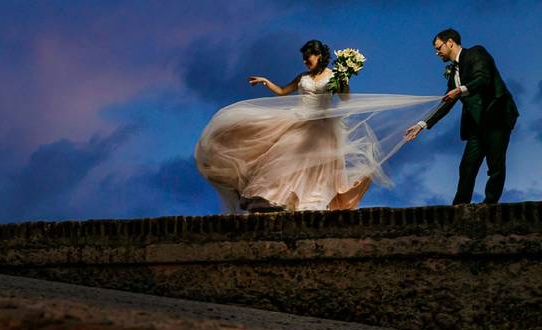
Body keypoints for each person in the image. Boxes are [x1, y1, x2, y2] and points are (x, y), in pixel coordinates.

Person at [196, 40, 441, 213]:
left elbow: (344, 100)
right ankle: (268, 198)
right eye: (303, 57)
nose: (305, 60)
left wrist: (344, 79)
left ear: (319, 56)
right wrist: (266, 82)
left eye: (308, 56)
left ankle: (306, 202)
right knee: (285, 157)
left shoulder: (334, 75)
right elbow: (284, 92)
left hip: (323, 126)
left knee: (314, 165)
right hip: (300, 120)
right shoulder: (302, 77)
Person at [404, 29, 519, 205]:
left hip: (497, 116)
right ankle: (459, 206)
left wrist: (460, 90)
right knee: (467, 166)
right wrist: (422, 124)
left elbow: (483, 79)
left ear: (450, 42)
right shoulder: (453, 73)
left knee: (495, 166)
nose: (437, 53)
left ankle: (490, 206)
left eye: (438, 48)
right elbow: (447, 102)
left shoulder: (476, 53)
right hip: (476, 125)